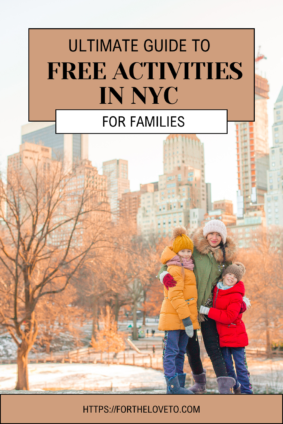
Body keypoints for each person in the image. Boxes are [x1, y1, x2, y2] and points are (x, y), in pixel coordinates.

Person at [158, 220, 242, 394]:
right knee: (191, 348)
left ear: (223, 238)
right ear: (205, 234)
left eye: (218, 235)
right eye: (211, 233)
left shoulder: (225, 257)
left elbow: (231, 279)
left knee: (213, 345)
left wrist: (241, 298)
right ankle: (199, 382)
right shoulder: (193, 249)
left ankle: (224, 385)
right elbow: (169, 259)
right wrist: (163, 274)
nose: (214, 237)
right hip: (188, 307)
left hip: (207, 308)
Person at [158, 226, 202, 394]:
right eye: (182, 251)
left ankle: (178, 387)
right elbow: (175, 296)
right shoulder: (176, 269)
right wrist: (186, 319)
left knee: (180, 352)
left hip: (185, 318)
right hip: (175, 318)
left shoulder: (188, 268)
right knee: (171, 352)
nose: (186, 254)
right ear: (177, 252)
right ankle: (172, 386)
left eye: (188, 251)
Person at [200, 262, 253, 394]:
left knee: (240, 366)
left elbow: (229, 316)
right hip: (222, 336)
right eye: (229, 274)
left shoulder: (236, 295)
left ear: (237, 280)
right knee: (228, 367)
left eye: (235, 277)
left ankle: (247, 391)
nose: (231, 278)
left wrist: (208, 311)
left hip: (236, 336)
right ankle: (236, 389)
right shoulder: (217, 289)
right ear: (224, 275)